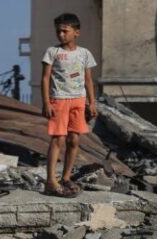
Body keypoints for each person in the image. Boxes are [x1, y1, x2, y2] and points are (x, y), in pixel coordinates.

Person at [41, 13, 97, 197]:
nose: (61, 35)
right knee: (58, 139)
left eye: (65, 31)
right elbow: (45, 78)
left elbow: (88, 79)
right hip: (59, 99)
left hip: (78, 100)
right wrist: (46, 102)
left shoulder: (84, 54)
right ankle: (50, 181)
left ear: (77, 32)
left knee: (74, 140)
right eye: (58, 31)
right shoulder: (52, 52)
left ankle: (66, 177)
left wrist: (92, 102)